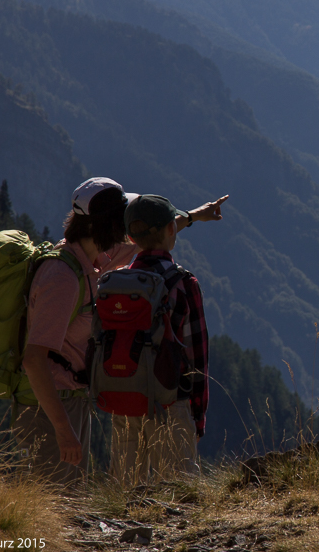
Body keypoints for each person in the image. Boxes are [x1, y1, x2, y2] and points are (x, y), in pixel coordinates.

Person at [14, 177, 227, 485]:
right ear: (112, 224)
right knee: (58, 504)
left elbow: (151, 237)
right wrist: (63, 430)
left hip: (75, 400)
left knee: (76, 499)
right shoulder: (62, 276)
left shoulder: (98, 262)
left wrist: (194, 216)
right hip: (49, 405)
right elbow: (33, 359)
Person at [109, 193, 213, 485]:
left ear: (130, 238)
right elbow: (197, 357)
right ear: (172, 229)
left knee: (124, 499)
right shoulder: (182, 283)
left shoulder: (115, 282)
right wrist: (197, 416)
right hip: (171, 404)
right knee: (179, 503)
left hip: (124, 399)